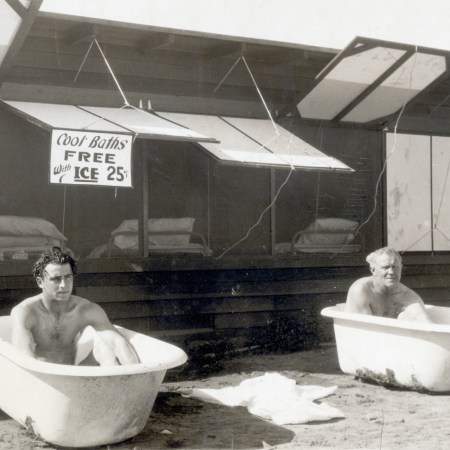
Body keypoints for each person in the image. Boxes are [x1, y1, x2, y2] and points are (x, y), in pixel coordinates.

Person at [10, 247, 139, 366]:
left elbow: (118, 343)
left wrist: (136, 374)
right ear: (40, 282)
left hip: (73, 376)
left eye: (68, 278)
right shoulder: (25, 311)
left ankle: (129, 389)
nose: (63, 285)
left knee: (105, 347)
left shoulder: (86, 309)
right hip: (41, 377)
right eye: (56, 279)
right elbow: (23, 356)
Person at [345, 246, 432, 322]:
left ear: (401, 268)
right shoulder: (361, 290)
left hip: (393, 339)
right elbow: (363, 331)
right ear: (373, 270)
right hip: (366, 337)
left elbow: (427, 328)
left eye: (395, 267)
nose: (391, 272)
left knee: (413, 312)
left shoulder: (410, 297)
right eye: (385, 267)